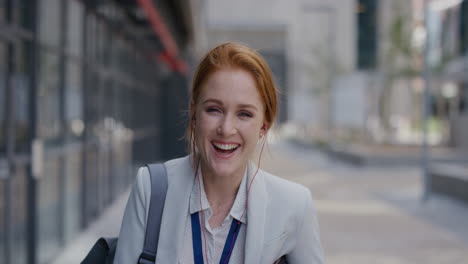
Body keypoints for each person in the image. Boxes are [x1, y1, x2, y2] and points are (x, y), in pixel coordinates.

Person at [113, 42, 324, 264]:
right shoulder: (151, 190)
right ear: (194, 114)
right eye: (214, 109)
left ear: (264, 125)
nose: (226, 129)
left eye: (244, 114)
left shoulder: (294, 205)